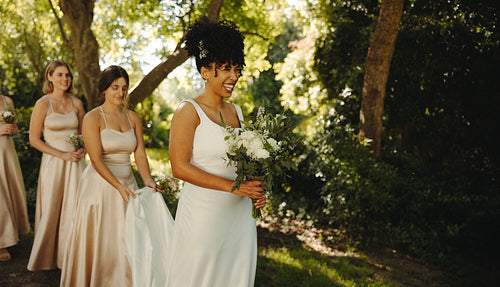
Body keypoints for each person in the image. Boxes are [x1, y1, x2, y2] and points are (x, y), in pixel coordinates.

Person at [167, 18, 266, 286]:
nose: (234, 76)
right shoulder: (188, 111)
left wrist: (254, 188)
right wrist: (236, 189)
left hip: (239, 218)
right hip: (203, 218)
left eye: (237, 69)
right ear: (205, 71)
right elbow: (179, 167)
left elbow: (241, 166)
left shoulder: (237, 113)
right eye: (225, 69)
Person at [60, 65, 157, 287]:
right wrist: (117, 187)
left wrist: (148, 179)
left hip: (128, 184)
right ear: (104, 88)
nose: (120, 93)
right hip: (100, 186)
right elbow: (95, 159)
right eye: (115, 87)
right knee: (103, 240)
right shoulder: (93, 118)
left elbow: (140, 154)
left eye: (124, 88)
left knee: (126, 240)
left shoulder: (133, 118)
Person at [27, 61, 85, 271]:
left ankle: (69, 257)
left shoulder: (77, 103)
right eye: (60, 75)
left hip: (75, 163)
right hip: (54, 163)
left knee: (74, 207)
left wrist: (82, 150)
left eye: (68, 75)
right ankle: (47, 257)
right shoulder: (43, 104)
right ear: (49, 77)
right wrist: (62, 154)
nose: (65, 79)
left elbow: (83, 133)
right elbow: (34, 139)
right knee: (53, 208)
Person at [0, 95, 30, 262]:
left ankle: (9, 234)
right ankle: (2, 243)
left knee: (8, 190)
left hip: (7, 153)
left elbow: (16, 128)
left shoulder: (7, 101)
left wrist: (12, 129)